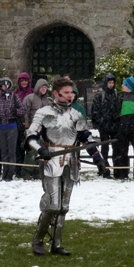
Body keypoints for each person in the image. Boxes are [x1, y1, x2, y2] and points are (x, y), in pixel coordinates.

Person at [26, 78, 105, 256]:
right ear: (56, 93)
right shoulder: (44, 112)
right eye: (67, 92)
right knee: (53, 205)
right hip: (51, 161)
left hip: (71, 161)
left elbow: (86, 137)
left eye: (72, 92)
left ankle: (57, 244)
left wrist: (98, 158)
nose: (71, 95)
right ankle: (38, 240)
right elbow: (30, 136)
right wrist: (41, 149)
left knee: (64, 206)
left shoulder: (76, 114)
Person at [0, 77, 26, 181]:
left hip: (12, 126)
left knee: (12, 151)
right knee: (3, 151)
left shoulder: (14, 97)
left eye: (6, 85)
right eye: (2, 85)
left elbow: (23, 109)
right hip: (0, 126)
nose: (4, 87)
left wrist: (16, 112)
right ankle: (4, 172)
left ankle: (11, 173)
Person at [91, 73, 120, 178]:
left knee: (116, 148)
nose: (111, 85)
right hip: (104, 126)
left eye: (113, 82)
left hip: (114, 126)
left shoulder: (116, 94)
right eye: (109, 82)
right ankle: (105, 169)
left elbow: (118, 108)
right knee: (105, 149)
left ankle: (117, 170)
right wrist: (101, 122)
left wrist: (117, 118)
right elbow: (95, 111)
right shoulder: (100, 94)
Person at [21, 78, 51, 180]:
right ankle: (27, 172)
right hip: (32, 128)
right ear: (38, 87)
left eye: (45, 87)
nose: (43, 89)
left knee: (41, 150)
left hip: (44, 130)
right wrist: (26, 126)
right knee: (31, 151)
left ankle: (38, 172)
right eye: (42, 87)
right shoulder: (29, 98)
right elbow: (25, 112)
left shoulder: (48, 101)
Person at [13, 72, 33, 177]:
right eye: (22, 81)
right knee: (19, 148)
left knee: (30, 147)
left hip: (31, 123)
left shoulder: (33, 92)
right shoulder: (15, 93)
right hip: (18, 122)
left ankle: (29, 170)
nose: (24, 82)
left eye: (25, 80)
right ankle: (18, 170)